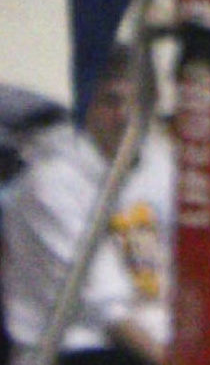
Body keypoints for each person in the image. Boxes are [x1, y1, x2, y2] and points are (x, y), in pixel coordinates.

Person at [2, 47, 171, 363]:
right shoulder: (50, 183)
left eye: (136, 102)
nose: (124, 116)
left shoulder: (162, 166)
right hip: (74, 349)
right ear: (86, 104)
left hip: (153, 340)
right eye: (111, 101)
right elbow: (106, 308)